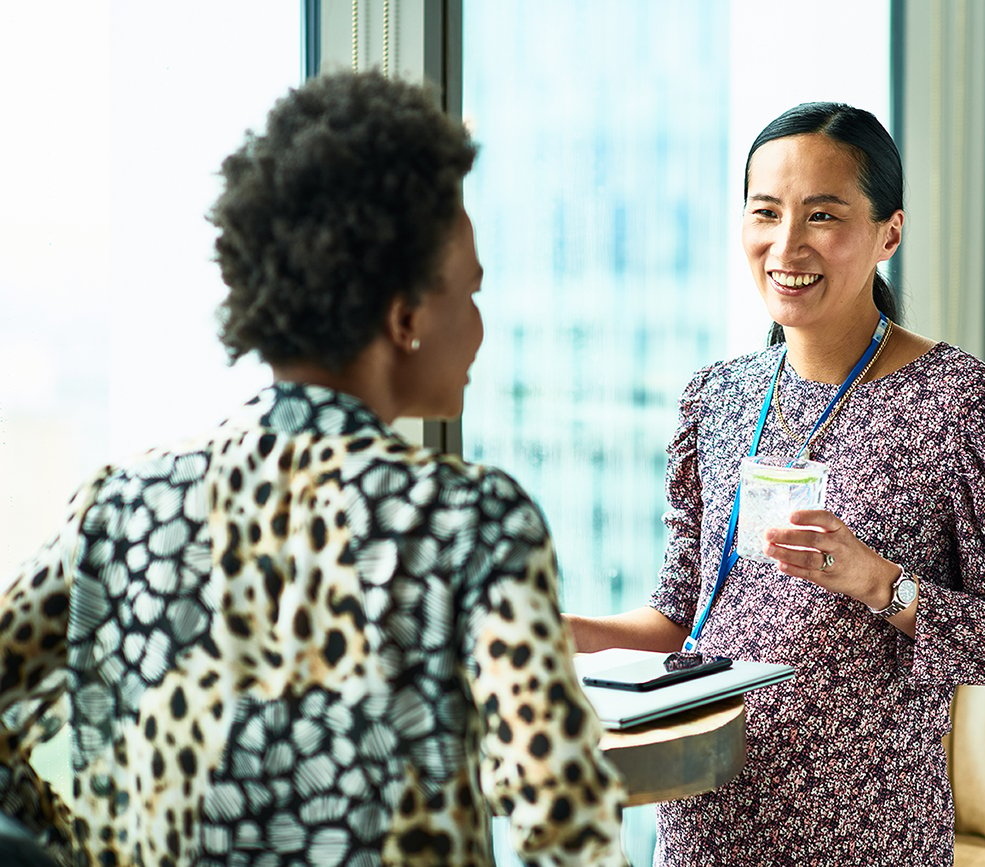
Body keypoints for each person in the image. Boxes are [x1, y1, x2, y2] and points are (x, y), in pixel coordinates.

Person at [0, 71, 626, 866]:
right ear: (405, 317)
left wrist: (64, 848)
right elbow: (565, 822)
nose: (477, 326)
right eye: (470, 292)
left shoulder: (123, 508)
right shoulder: (471, 521)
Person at [567, 102, 985, 865]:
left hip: (865, 832)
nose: (787, 244)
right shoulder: (719, 397)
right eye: (766, 212)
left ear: (889, 233)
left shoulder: (960, 404)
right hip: (707, 822)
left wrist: (877, 582)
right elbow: (679, 619)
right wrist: (561, 631)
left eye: (822, 215)